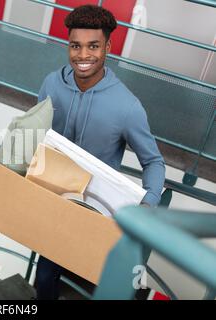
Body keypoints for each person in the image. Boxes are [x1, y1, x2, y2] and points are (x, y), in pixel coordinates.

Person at [35, 5, 165, 300]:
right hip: (49, 196)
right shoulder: (51, 83)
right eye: (75, 46)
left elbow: (153, 161)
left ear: (108, 46)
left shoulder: (127, 106)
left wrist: (148, 204)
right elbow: (33, 131)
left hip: (93, 208)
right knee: (44, 276)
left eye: (93, 46)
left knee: (95, 280)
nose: (83, 56)